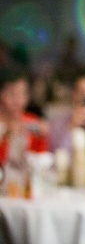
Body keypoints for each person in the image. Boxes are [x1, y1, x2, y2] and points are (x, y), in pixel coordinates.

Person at [0, 65, 48, 195]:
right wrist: (6, 136)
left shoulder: (32, 123)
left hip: (25, 189)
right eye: (12, 94)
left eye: (23, 94)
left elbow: (41, 160)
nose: (18, 100)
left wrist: (41, 138)